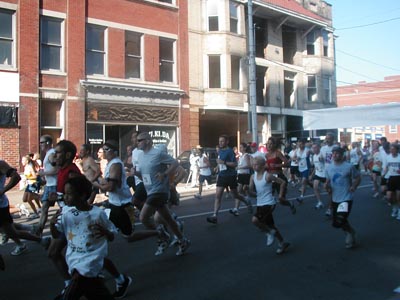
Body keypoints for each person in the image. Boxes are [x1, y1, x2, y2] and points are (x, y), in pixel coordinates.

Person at [50, 175, 117, 300]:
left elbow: (112, 236)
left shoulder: (98, 213)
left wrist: (106, 233)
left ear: (81, 195)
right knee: (97, 292)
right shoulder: (66, 213)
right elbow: (57, 234)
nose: (65, 197)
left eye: (69, 194)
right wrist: (52, 225)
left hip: (89, 264)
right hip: (74, 261)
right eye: (65, 193)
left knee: (71, 293)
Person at [133, 132, 190, 256]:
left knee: (143, 217)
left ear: (148, 141)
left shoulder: (158, 153)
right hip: (150, 190)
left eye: (139, 140)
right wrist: (135, 174)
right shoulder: (141, 156)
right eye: (137, 141)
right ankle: (182, 240)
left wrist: (165, 174)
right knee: (168, 219)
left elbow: (175, 163)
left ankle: (163, 234)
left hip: (159, 191)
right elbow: (145, 176)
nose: (137, 143)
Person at [0, 160, 50, 260]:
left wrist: (3, 190)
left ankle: (41, 240)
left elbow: (16, 177)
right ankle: (31, 229)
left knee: (11, 232)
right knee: (7, 229)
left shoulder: (1, 164)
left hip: (0, 206)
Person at [249, 156, 290, 254]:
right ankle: (282, 243)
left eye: (256, 164)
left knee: (255, 220)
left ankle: (268, 233)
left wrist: (280, 195)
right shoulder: (252, 177)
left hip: (269, 203)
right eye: (253, 164)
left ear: (263, 166)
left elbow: (282, 182)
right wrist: (246, 191)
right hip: (260, 204)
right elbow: (253, 194)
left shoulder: (267, 176)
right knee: (271, 225)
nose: (254, 166)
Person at [206, 135, 252, 224]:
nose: (220, 143)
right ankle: (214, 215)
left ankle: (246, 201)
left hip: (230, 176)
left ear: (227, 142)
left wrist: (224, 163)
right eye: (219, 141)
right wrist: (217, 167)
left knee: (236, 195)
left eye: (222, 141)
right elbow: (220, 162)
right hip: (222, 176)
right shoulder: (220, 152)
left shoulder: (230, 151)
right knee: (218, 196)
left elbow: (235, 164)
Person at [324, 146, 361, 249]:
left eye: (337, 153)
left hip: (346, 197)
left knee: (341, 219)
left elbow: (358, 177)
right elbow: (328, 182)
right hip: (335, 198)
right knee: (336, 223)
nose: (335, 155)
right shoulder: (329, 167)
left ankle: (349, 234)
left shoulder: (349, 166)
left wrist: (354, 186)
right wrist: (326, 186)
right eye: (333, 153)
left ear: (342, 154)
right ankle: (351, 231)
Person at [265, 137, 296, 214]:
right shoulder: (266, 155)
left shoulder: (278, 153)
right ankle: (267, 216)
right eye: (268, 144)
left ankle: (290, 204)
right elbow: (265, 166)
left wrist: (276, 165)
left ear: (274, 145)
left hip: (279, 177)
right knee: (269, 199)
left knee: (281, 199)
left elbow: (287, 164)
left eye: (271, 144)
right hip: (270, 178)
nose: (269, 145)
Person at [36, 134, 59, 236]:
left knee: (63, 206)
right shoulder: (48, 154)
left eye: (42, 142)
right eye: (40, 142)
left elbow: (57, 169)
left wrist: (43, 173)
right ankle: (39, 231)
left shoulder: (51, 154)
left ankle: (59, 225)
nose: (40, 144)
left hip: (55, 185)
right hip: (49, 185)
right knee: (44, 207)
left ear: (48, 143)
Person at [229, 142, 252, 215]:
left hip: (245, 175)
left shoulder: (246, 155)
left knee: (244, 191)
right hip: (240, 175)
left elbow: (249, 165)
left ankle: (247, 203)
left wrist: (239, 167)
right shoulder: (241, 156)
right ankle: (237, 208)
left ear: (245, 148)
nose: (240, 148)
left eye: (241, 147)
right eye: (240, 147)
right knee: (239, 192)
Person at [382, 143, 400, 220]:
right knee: (389, 196)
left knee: (398, 197)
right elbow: (386, 167)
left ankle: (399, 211)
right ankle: (395, 208)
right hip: (391, 177)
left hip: (399, 178)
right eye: (391, 149)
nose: (391, 150)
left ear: (397, 150)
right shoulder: (388, 157)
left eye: (393, 149)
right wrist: (383, 175)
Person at [320, 132, 336, 217]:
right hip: (326, 171)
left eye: (329, 139)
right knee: (328, 189)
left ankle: (330, 208)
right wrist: (320, 158)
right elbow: (323, 159)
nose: (327, 140)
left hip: (335, 171)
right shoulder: (323, 148)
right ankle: (333, 204)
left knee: (331, 190)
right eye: (327, 138)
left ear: (333, 139)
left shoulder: (336, 148)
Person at [293, 138, 311, 204]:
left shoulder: (307, 150)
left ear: (304, 144)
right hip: (300, 168)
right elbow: (293, 158)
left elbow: (311, 153)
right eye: (299, 144)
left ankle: (301, 197)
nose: (300, 145)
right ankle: (310, 184)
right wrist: (296, 159)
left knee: (303, 181)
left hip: (306, 168)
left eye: (302, 144)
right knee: (304, 182)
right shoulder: (297, 151)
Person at [309, 142, 326, 209]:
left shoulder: (322, 154)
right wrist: (311, 175)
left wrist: (322, 159)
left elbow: (324, 160)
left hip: (325, 174)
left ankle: (332, 204)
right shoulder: (314, 156)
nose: (314, 149)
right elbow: (315, 167)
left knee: (328, 190)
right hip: (318, 174)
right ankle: (320, 202)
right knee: (315, 187)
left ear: (319, 148)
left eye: (315, 147)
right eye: (313, 148)